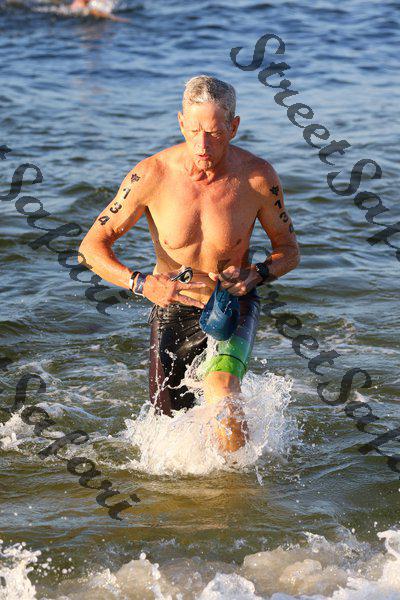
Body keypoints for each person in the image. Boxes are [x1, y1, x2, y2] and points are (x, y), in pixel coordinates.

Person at [78, 75, 300, 454]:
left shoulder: (258, 178)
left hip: (230, 303)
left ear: (233, 127)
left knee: (223, 391)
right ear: (181, 122)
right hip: (172, 308)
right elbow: (91, 247)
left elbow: (289, 251)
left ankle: (241, 483)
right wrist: (141, 283)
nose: (202, 144)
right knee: (170, 433)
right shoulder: (150, 175)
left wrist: (257, 273)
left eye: (214, 133)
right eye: (194, 130)